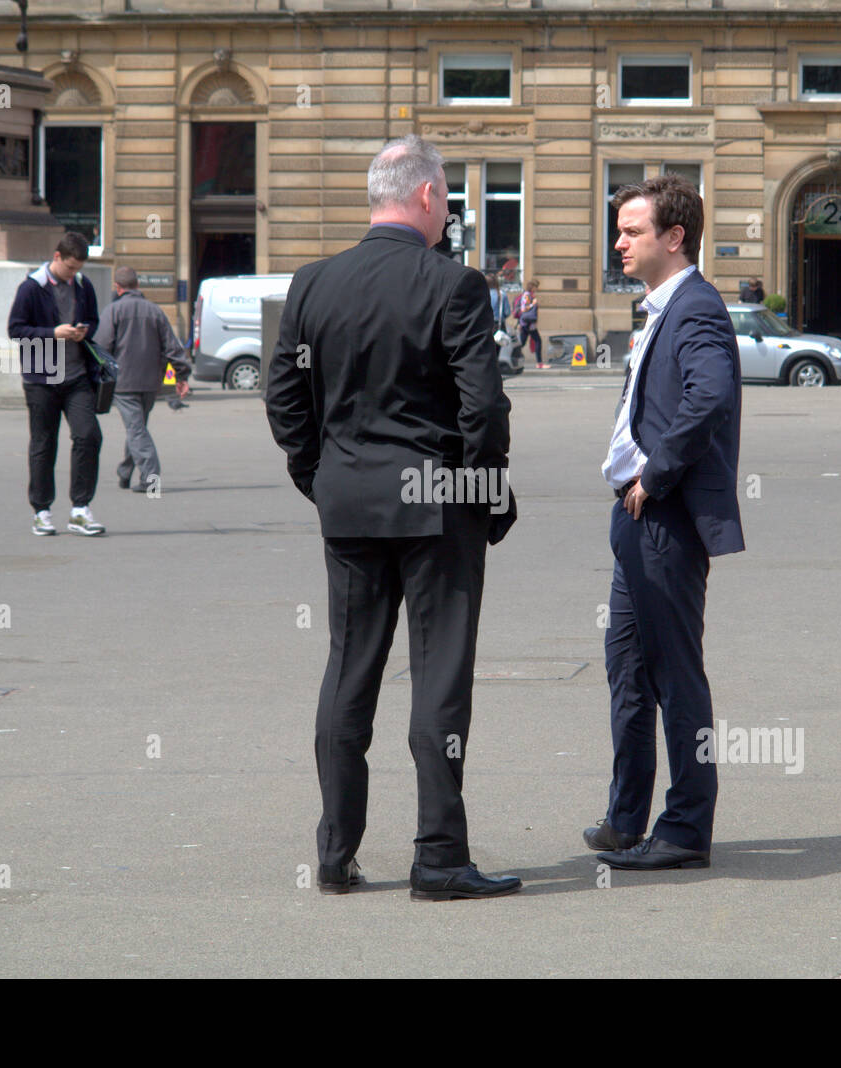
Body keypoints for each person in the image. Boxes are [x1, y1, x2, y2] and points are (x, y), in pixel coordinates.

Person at [265, 134, 521, 901]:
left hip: (349, 502)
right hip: (438, 506)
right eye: (448, 198)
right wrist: (485, 493)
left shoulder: (313, 284)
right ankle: (439, 857)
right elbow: (484, 407)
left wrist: (321, 476)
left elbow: (284, 398)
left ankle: (336, 853)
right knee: (439, 680)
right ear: (427, 197)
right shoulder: (454, 284)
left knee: (349, 672)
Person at [586, 172, 744, 871]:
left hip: (665, 519)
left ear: (673, 237)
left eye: (632, 230)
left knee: (676, 675)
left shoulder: (699, 308)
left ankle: (684, 829)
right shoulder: (660, 309)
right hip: (634, 519)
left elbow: (709, 396)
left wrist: (656, 473)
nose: (618, 241)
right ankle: (627, 816)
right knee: (627, 669)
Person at [7, 231, 105, 536]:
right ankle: (42, 511)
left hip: (77, 377)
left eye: (79, 269)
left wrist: (83, 331)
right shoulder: (31, 288)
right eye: (70, 268)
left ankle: (80, 509)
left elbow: (94, 320)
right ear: (57, 257)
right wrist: (53, 333)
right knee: (44, 444)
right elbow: (16, 329)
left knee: (89, 436)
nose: (74, 274)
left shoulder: (83, 285)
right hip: (41, 380)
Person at [92, 266, 192, 493]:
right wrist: (182, 375)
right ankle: (125, 471)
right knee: (138, 428)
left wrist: (97, 376)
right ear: (137, 285)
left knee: (136, 430)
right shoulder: (155, 311)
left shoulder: (113, 311)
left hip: (124, 383)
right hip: (150, 382)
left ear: (118, 288)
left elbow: (101, 348)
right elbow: (172, 348)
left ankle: (150, 478)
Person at [515, 279, 543, 368]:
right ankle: (539, 363)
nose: (537, 289)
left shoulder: (529, 295)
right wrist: (533, 304)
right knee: (538, 341)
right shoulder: (527, 295)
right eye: (536, 287)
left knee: (522, 343)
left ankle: (514, 357)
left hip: (527, 324)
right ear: (532, 287)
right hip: (528, 324)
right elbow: (523, 309)